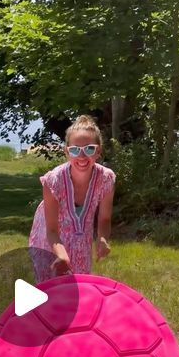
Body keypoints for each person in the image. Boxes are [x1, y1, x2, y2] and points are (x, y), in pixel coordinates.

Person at [28, 115, 115, 283]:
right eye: (75, 150)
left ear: (98, 151)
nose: (82, 156)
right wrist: (60, 255)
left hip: (82, 237)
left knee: (78, 287)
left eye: (89, 149)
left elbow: (104, 219)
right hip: (50, 238)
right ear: (67, 152)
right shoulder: (54, 181)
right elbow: (51, 230)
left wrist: (103, 239)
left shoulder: (106, 179)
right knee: (48, 285)